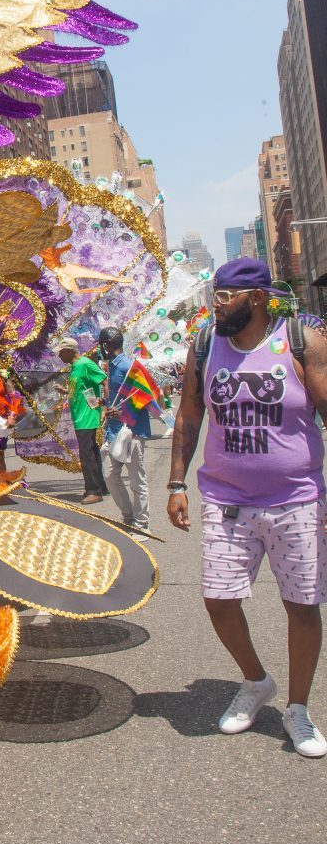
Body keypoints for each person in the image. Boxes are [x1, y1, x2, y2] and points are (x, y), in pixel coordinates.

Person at [167, 257, 327, 757]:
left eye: (223, 297)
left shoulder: (302, 343)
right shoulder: (206, 345)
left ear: (256, 298)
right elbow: (189, 415)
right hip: (226, 497)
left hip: (296, 498)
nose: (215, 306)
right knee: (218, 598)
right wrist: (176, 483)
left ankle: (297, 709)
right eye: (214, 295)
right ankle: (256, 681)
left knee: (301, 605)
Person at [99, 327, 151, 536]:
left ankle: (141, 524)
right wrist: (104, 403)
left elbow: (144, 397)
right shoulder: (110, 367)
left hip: (131, 431)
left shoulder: (129, 366)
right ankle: (128, 516)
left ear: (106, 345)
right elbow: (119, 396)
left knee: (137, 480)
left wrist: (120, 411)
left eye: (100, 345)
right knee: (110, 474)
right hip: (112, 431)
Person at [58, 336, 108, 503]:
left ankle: (93, 490)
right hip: (81, 414)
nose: (59, 356)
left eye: (60, 353)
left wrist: (105, 404)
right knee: (92, 451)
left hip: (86, 415)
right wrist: (65, 391)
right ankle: (101, 486)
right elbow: (82, 388)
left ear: (67, 351)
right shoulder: (75, 367)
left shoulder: (85, 364)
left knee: (86, 454)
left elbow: (104, 380)